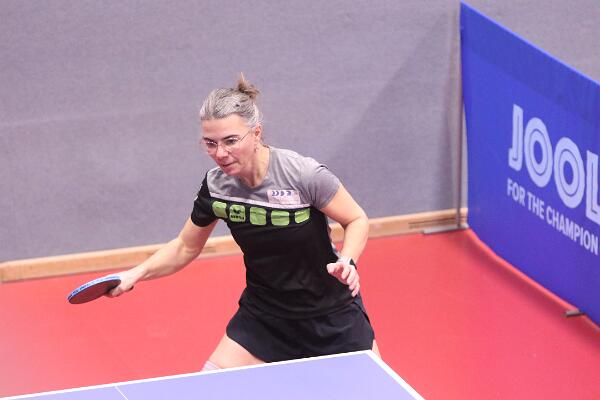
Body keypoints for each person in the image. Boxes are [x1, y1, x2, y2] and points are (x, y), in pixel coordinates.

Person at [109, 74, 379, 370]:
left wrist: (348, 260)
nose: (220, 153)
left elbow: (356, 219)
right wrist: (136, 273)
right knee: (210, 387)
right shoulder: (217, 187)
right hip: (265, 317)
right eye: (210, 143)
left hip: (332, 315)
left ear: (256, 133)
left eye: (231, 141)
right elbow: (186, 246)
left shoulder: (303, 175)